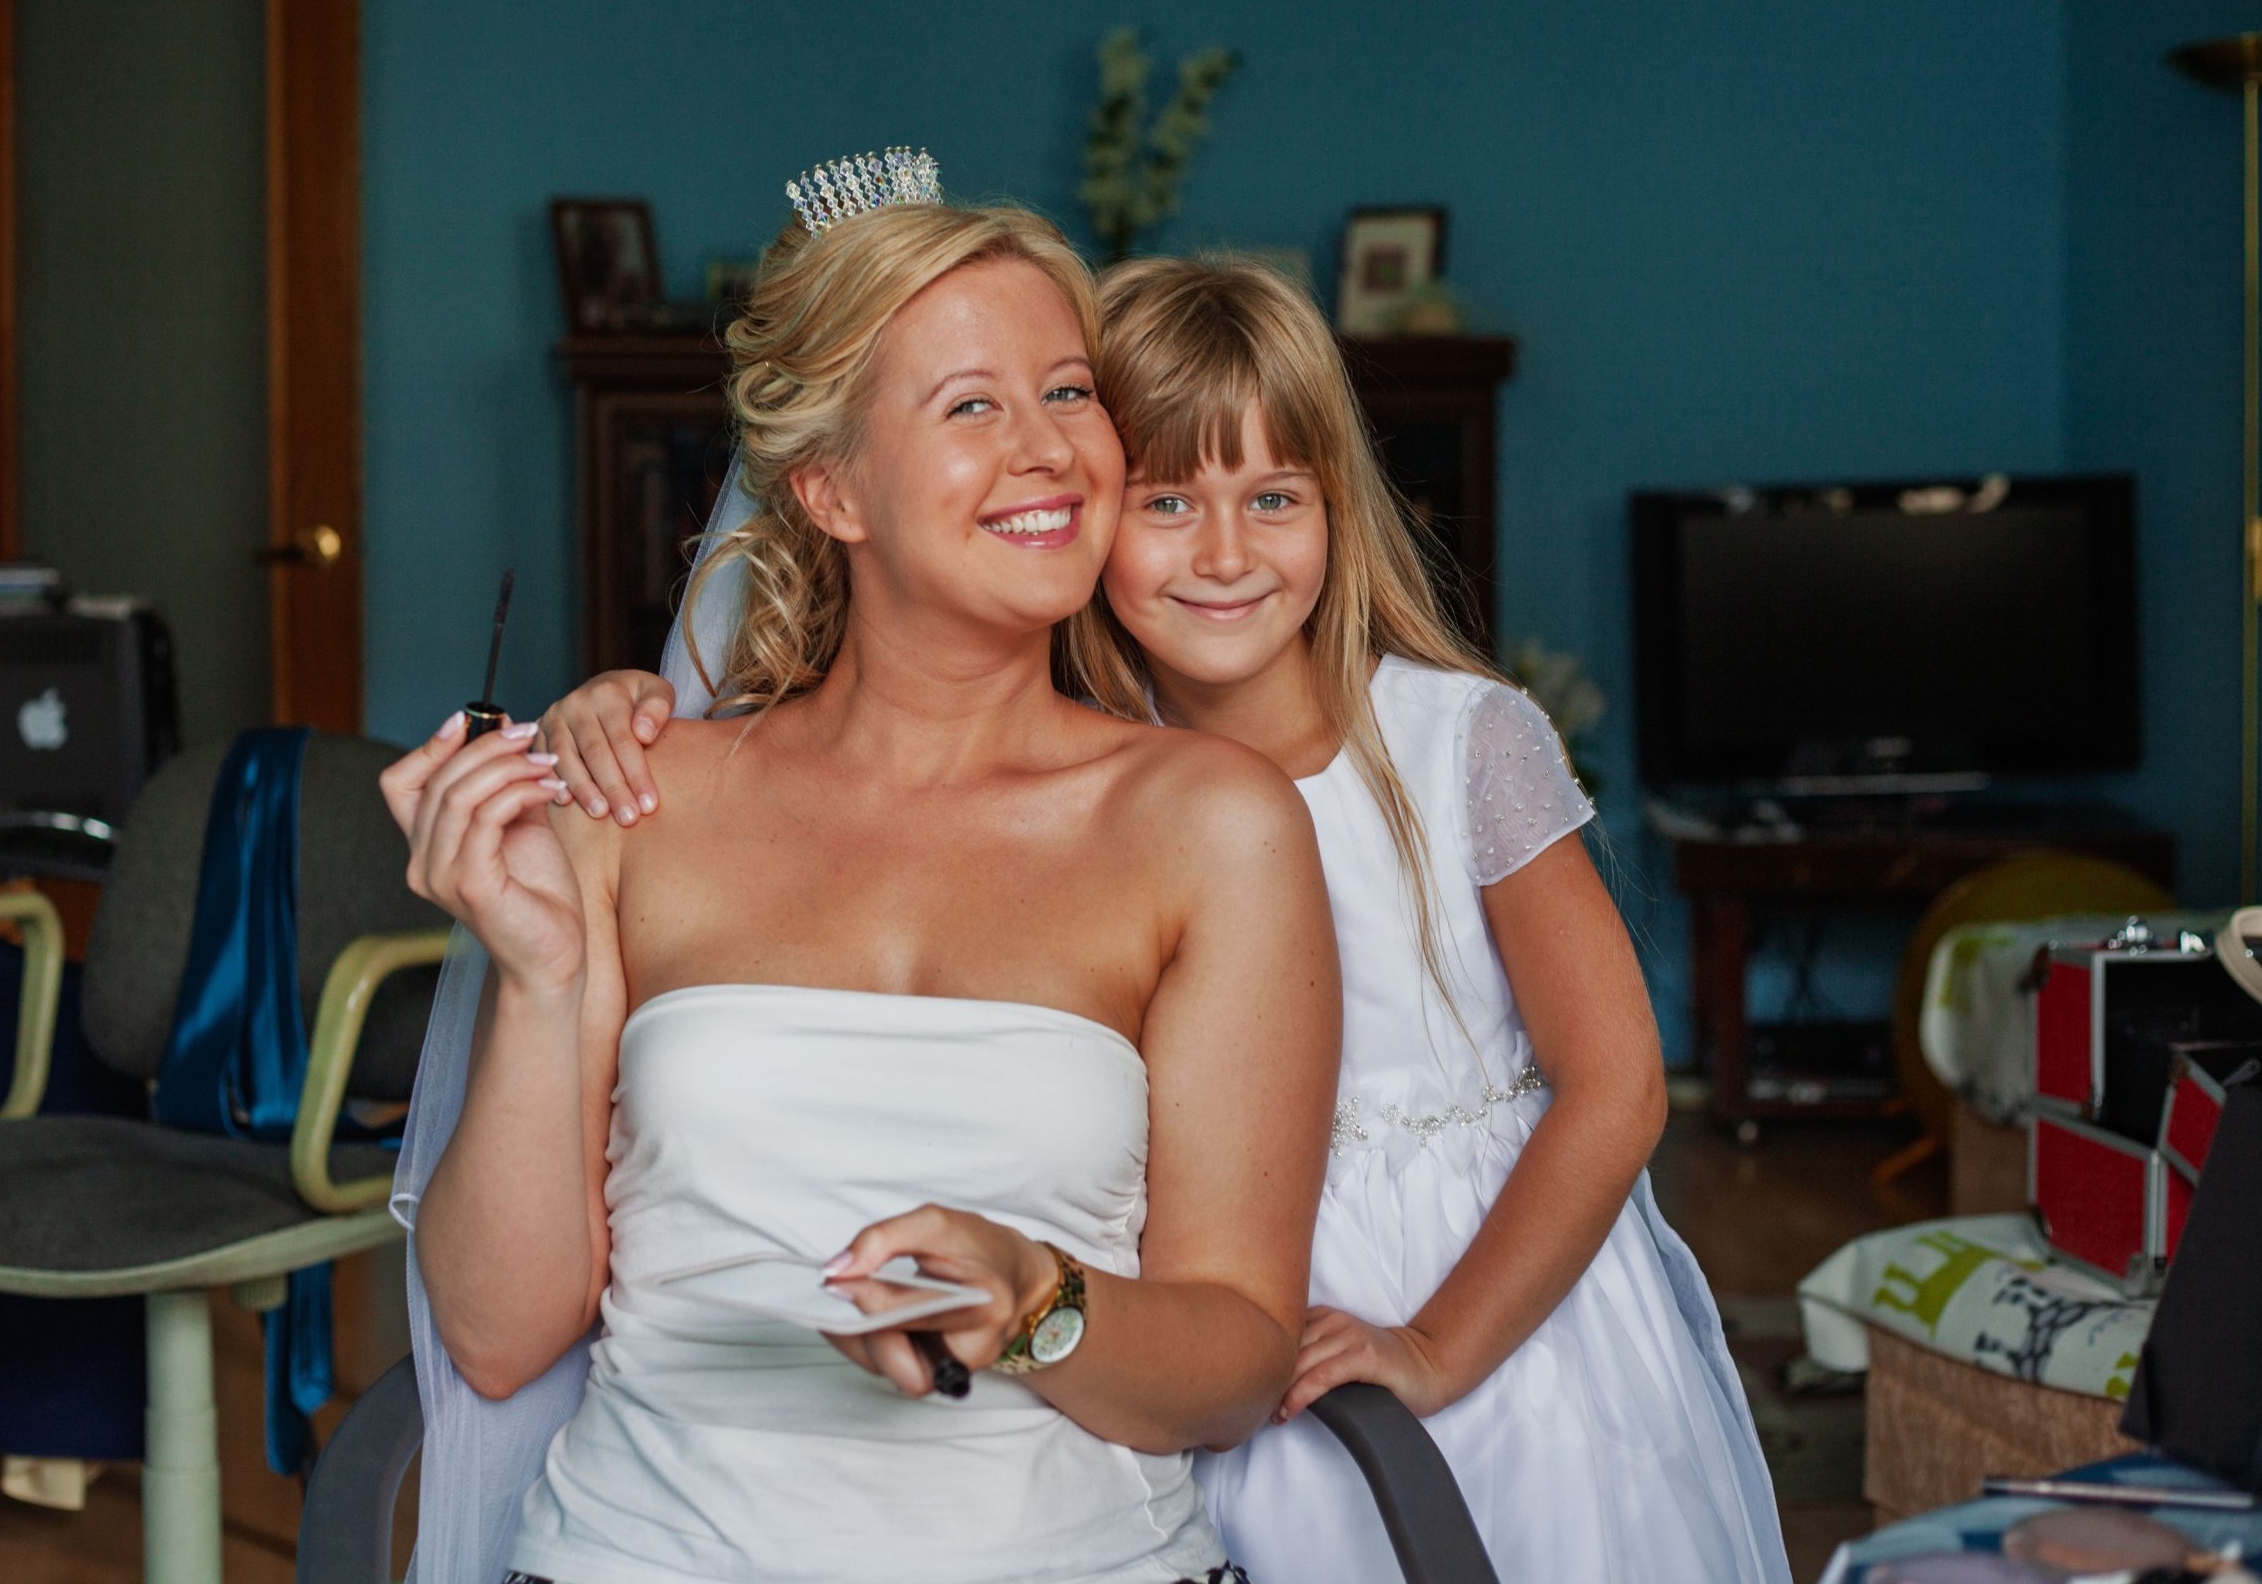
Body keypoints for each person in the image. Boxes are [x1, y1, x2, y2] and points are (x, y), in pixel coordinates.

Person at [538, 256, 1792, 1582]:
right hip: (1204, 1329)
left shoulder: (1453, 741)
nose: (1226, 555)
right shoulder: (1092, 782)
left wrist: (1437, 1345)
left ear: (1340, 506)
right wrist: (621, 711)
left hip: (1482, 1311)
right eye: (1167, 502)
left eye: (1275, 499)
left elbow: (1618, 1086)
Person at [382, 172, 1342, 1584]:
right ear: (831, 489)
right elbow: (496, 1336)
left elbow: (1238, 1365)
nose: (1050, 451)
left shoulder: (1213, 824)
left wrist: (1038, 1301)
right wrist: (538, 978)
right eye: (972, 407)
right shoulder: (636, 800)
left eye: (1069, 393)